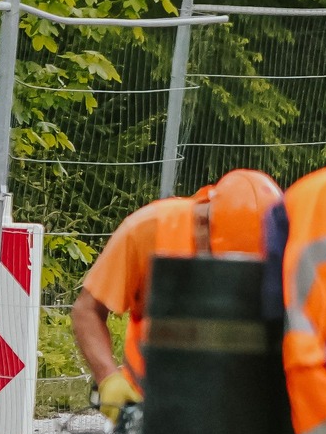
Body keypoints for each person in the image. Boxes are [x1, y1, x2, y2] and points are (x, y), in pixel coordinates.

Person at [71, 169, 283, 420]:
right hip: (149, 405)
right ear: (205, 220)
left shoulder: (280, 251)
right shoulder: (147, 229)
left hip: (237, 409)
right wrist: (109, 380)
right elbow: (87, 310)